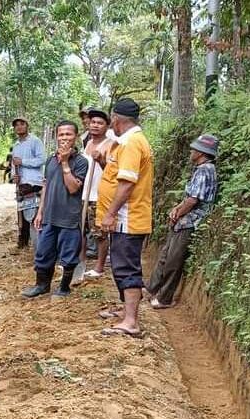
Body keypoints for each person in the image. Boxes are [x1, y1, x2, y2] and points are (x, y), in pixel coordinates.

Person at [96, 98, 154, 337]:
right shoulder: (130, 141)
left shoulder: (131, 143)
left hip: (128, 218)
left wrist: (110, 214)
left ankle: (131, 321)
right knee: (122, 265)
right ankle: (126, 312)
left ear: (116, 119)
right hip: (127, 218)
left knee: (127, 267)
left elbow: (127, 184)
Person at [147, 134, 218, 308]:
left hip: (191, 221)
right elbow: (189, 197)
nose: (191, 152)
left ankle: (164, 298)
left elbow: (193, 200)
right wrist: (177, 210)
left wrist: (178, 213)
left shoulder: (205, 170)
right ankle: (151, 289)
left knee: (173, 260)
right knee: (165, 256)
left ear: (201, 153)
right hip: (184, 220)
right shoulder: (201, 169)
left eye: (194, 149)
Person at [22, 120, 90, 298]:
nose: (64, 138)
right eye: (61, 134)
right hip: (49, 216)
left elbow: (73, 188)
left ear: (76, 137)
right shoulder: (51, 160)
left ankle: (64, 288)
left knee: (68, 256)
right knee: (43, 252)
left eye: (68, 134)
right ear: (56, 137)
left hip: (69, 217)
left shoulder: (81, 162)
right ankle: (41, 285)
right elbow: (46, 186)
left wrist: (65, 163)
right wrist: (40, 211)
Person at [81, 108, 116, 281]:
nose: (95, 125)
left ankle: (99, 266)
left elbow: (112, 171)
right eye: (93, 122)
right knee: (82, 230)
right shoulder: (88, 143)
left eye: (100, 123)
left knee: (100, 233)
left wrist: (101, 160)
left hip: (99, 195)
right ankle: (80, 262)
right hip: (84, 194)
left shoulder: (111, 144)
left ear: (107, 126)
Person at [10, 116, 46, 249]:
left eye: (22, 124)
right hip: (22, 184)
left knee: (35, 217)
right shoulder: (16, 145)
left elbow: (42, 159)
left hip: (34, 183)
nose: (19, 127)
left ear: (27, 126)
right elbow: (14, 164)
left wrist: (23, 162)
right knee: (24, 214)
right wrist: (14, 176)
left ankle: (39, 247)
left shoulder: (35, 141)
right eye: (16, 125)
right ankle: (24, 242)